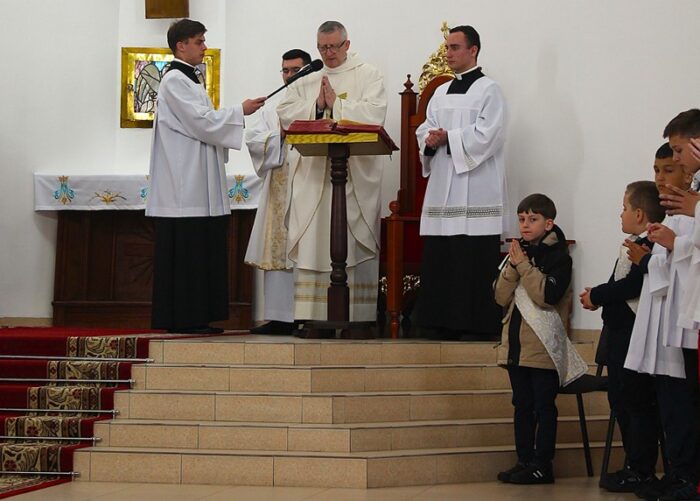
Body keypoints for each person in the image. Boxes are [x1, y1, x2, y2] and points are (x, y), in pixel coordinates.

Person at [146, 19, 265, 333]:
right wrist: (239, 111)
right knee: (189, 252)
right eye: (199, 41)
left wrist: (235, 114)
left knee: (199, 249)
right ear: (180, 45)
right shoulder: (174, 80)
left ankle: (196, 317)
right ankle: (185, 318)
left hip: (196, 180)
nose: (204, 47)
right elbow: (201, 121)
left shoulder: (191, 79)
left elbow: (204, 122)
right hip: (184, 185)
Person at [276, 21, 387, 327]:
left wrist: (337, 105)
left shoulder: (368, 74)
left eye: (333, 47)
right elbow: (284, 111)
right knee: (315, 238)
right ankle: (313, 316)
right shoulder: (308, 75)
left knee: (350, 238)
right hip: (313, 175)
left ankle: (355, 315)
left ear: (347, 45)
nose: (328, 53)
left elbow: (376, 113)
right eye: (322, 48)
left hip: (354, 175)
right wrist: (316, 105)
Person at [414, 25, 507, 341]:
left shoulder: (489, 90)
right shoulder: (440, 92)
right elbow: (424, 128)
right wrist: (429, 140)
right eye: (447, 48)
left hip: (477, 185)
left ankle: (476, 324)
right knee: (443, 256)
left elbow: (489, 135)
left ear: (473, 50)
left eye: (455, 47)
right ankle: (438, 322)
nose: (448, 53)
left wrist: (449, 138)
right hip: (444, 184)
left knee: (472, 258)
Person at [624, 134, 699, 501]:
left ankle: (687, 476)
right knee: (671, 408)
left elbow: (687, 262)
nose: (661, 177)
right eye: (656, 170)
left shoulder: (690, 212)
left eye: (669, 168)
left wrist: (668, 248)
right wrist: (656, 255)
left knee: (684, 407)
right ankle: (676, 472)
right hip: (667, 322)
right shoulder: (674, 215)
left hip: (684, 321)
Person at [579, 179, 665, 493]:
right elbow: (619, 281)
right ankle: (632, 465)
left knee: (636, 403)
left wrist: (598, 295)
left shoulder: (649, 245)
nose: (620, 213)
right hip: (618, 334)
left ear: (639, 214)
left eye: (624, 207)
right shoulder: (633, 243)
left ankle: (641, 469)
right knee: (621, 400)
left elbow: (632, 286)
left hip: (633, 335)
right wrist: (597, 296)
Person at [494, 194, 586, 485]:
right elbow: (499, 297)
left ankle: (542, 464)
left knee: (543, 407)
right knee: (522, 405)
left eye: (532, 219)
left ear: (548, 223)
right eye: (521, 219)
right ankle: (524, 461)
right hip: (516, 344)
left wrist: (523, 266)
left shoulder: (559, 258)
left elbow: (547, 296)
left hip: (543, 345)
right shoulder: (518, 254)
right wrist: (514, 266)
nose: (525, 225)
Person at [244, 49, 312, 336]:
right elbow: (253, 139)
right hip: (280, 187)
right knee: (278, 248)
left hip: (310, 186)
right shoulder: (272, 107)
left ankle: (309, 314)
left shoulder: (316, 102)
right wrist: (280, 134)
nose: (289, 75)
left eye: (295, 70)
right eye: (285, 70)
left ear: (308, 70)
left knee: (307, 249)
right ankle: (279, 316)